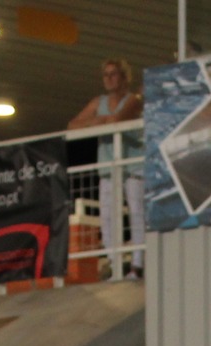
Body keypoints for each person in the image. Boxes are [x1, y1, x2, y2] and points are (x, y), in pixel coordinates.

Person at [68, 58, 145, 278]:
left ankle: (138, 265)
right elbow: (72, 125)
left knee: (136, 211)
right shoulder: (98, 102)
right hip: (108, 165)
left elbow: (119, 119)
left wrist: (100, 121)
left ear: (124, 77)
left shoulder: (133, 99)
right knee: (108, 216)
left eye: (114, 74)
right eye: (106, 75)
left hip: (133, 162)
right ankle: (114, 264)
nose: (109, 79)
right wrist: (99, 121)